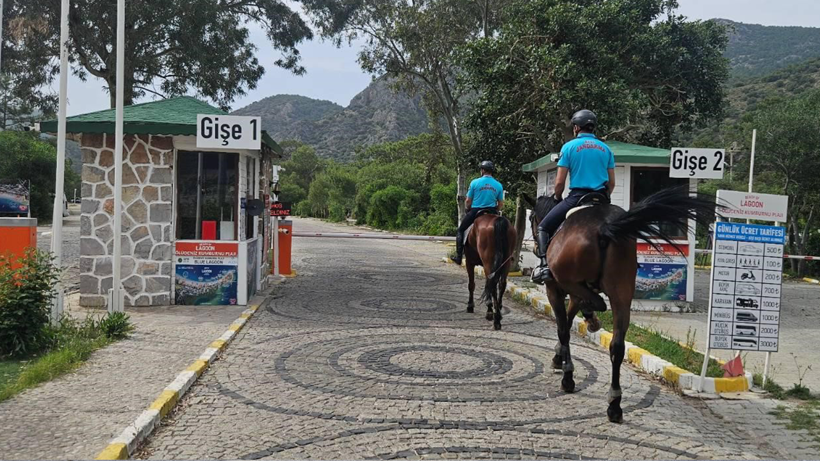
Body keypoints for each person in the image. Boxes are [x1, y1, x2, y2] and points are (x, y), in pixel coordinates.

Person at [531, 109, 616, 283]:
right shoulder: (606, 149)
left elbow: (560, 182)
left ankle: (544, 266)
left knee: (543, 228)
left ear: (576, 127)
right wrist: (605, 197)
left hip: (577, 197)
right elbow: (612, 183)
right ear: (593, 127)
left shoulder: (569, 147)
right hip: (601, 199)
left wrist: (557, 197)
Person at [450, 160, 504, 265]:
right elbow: (500, 204)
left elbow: (468, 201)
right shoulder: (498, 185)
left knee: (461, 230)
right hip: (492, 211)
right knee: (503, 230)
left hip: (476, 211)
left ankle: (459, 256)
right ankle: (508, 255)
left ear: (483, 170)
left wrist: (467, 208)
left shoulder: (475, 182)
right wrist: (496, 209)